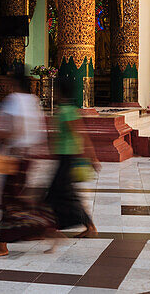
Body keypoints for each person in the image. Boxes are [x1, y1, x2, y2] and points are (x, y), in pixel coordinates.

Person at [0, 71, 52, 259]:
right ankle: (39, 229)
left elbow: (15, 128)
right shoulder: (33, 100)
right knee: (19, 199)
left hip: (15, 157)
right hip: (27, 156)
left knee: (8, 200)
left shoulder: (14, 100)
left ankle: (3, 244)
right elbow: (38, 130)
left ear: (13, 83)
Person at [44, 74, 99, 236]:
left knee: (62, 193)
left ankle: (83, 225)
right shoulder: (64, 109)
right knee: (61, 192)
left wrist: (92, 157)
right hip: (63, 157)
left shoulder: (67, 111)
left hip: (68, 157)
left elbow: (80, 134)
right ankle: (59, 225)